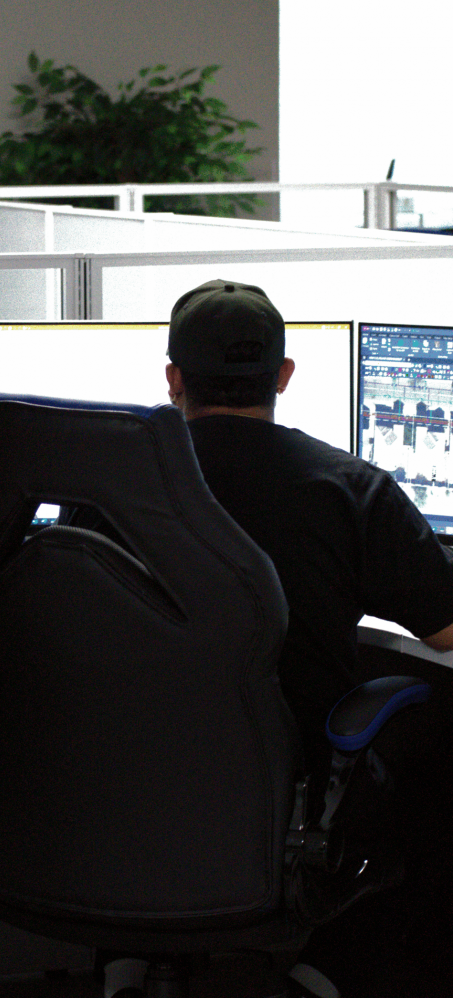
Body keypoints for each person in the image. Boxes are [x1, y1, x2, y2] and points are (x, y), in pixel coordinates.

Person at [163, 278, 453, 998]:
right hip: (292, 778)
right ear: (284, 376)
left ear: (173, 380)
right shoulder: (351, 486)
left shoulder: (109, 483)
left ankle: (134, 961)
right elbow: (447, 632)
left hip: (132, 771)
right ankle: (332, 967)